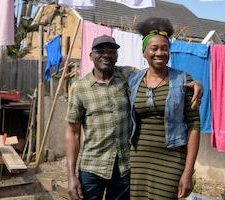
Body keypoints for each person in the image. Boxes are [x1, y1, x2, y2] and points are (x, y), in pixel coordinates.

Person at [65, 35, 203, 200]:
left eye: (111, 51)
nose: (106, 55)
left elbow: (157, 72)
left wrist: (197, 83)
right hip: (93, 167)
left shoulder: (128, 76)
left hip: (125, 168)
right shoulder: (79, 88)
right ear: (90, 56)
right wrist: (71, 175)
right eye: (100, 51)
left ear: (117, 56)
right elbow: (73, 133)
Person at [128, 17, 201, 199]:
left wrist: (188, 172)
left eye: (165, 48)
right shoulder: (133, 80)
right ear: (144, 52)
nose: (159, 53)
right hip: (138, 159)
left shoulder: (184, 80)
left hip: (172, 159)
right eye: (154, 48)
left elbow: (194, 126)